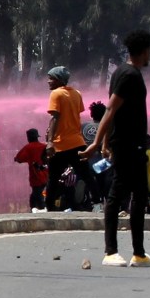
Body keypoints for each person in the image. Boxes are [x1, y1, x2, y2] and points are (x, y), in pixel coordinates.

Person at [89, 30, 150, 266]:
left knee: (139, 196)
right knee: (117, 195)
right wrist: (98, 142)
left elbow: (115, 112)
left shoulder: (121, 72)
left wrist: (105, 142)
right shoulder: (130, 75)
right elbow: (110, 109)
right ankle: (110, 252)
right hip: (127, 145)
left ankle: (138, 253)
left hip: (130, 144)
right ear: (144, 50)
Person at [44, 66, 87, 213]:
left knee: (53, 177)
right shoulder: (77, 93)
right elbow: (77, 113)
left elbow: (55, 117)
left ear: (58, 80)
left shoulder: (56, 94)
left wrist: (50, 141)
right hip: (77, 141)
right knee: (87, 174)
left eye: (50, 78)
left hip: (61, 143)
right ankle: (97, 202)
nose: (48, 81)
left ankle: (49, 207)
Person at [13, 127, 47, 212]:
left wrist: (16, 159)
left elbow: (19, 158)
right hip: (46, 175)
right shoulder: (44, 146)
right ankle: (35, 210)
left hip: (35, 176)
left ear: (28, 138)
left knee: (38, 196)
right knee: (34, 196)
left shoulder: (28, 148)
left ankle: (42, 211)